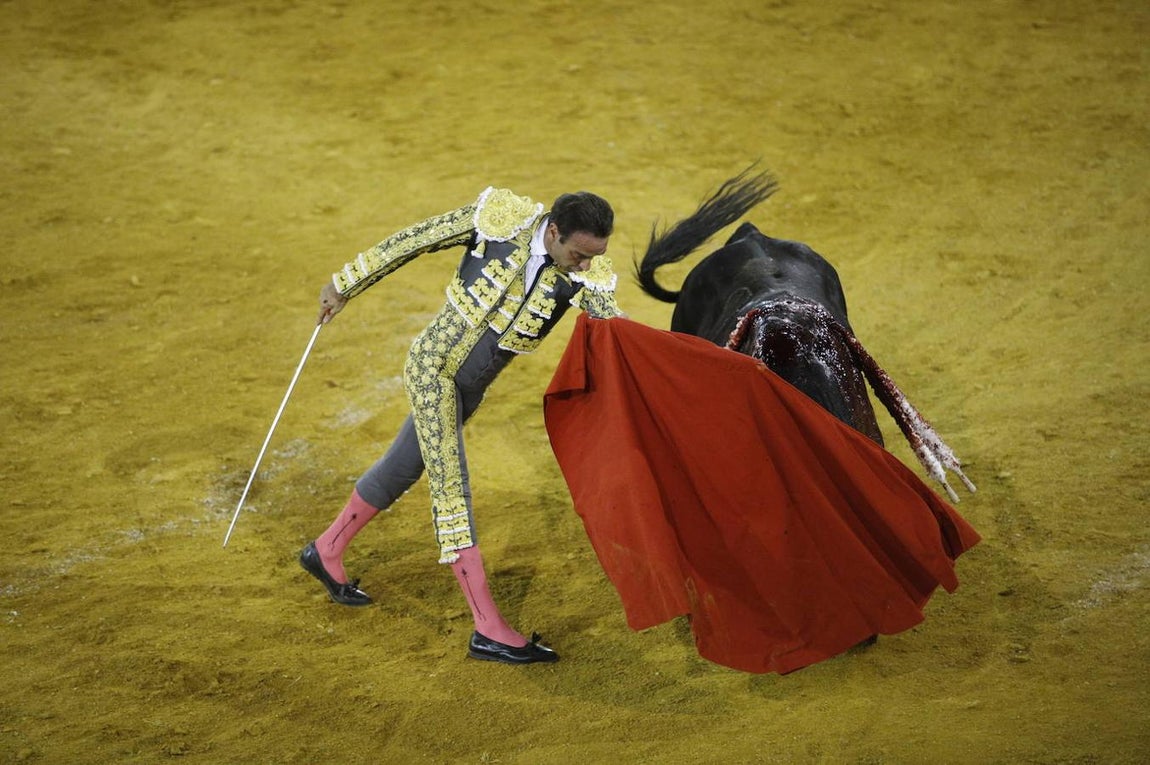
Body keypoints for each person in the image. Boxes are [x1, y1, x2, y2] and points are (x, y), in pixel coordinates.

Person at [299, 185, 622, 664]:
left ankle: (326, 550)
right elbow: (414, 240)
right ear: (554, 232)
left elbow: (621, 337)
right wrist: (344, 284)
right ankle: (487, 627)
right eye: (579, 255)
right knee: (452, 487)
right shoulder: (501, 220)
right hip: (432, 370)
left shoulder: (587, 275)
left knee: (403, 466)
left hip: (469, 388)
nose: (586, 266)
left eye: (594, 256)